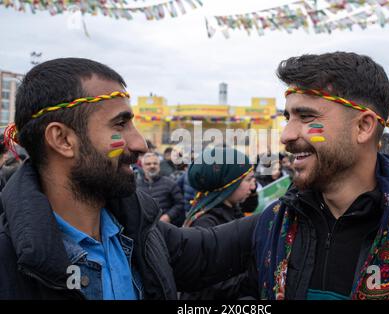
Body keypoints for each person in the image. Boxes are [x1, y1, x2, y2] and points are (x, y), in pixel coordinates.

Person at [0, 58, 257, 300]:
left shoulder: (137, 227)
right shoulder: (8, 261)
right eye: (119, 125)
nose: (141, 144)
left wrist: (285, 209)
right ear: (63, 140)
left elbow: (207, 253)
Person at [251, 52, 389, 300]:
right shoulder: (275, 222)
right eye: (288, 117)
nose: (286, 136)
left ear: (363, 126)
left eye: (306, 117)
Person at [181, 147, 256, 299]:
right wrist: (256, 277)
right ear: (227, 185)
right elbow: (213, 286)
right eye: (248, 180)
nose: (253, 187)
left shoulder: (232, 211)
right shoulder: (206, 224)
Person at [137, 152, 185, 227]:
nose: (152, 166)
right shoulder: (137, 186)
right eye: (148, 164)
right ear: (142, 166)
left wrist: (168, 216)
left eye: (155, 163)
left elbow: (180, 203)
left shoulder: (169, 183)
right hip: (144, 228)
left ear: (159, 166)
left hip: (166, 227)